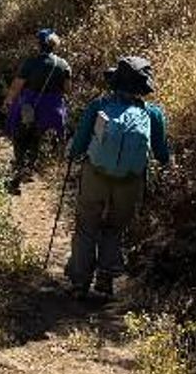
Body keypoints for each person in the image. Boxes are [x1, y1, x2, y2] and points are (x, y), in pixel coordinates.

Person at [64, 56, 171, 299]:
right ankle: (105, 279)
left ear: (115, 82)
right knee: (114, 228)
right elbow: (162, 153)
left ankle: (79, 283)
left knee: (87, 226)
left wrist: (73, 155)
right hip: (130, 180)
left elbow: (80, 142)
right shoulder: (153, 114)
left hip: (96, 174)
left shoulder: (99, 105)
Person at [2, 29, 73, 194]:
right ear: (54, 44)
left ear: (38, 44)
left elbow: (17, 86)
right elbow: (68, 89)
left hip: (29, 106)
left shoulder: (31, 62)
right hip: (51, 109)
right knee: (37, 137)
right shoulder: (63, 65)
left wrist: (8, 101)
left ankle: (20, 166)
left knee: (21, 136)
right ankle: (30, 166)